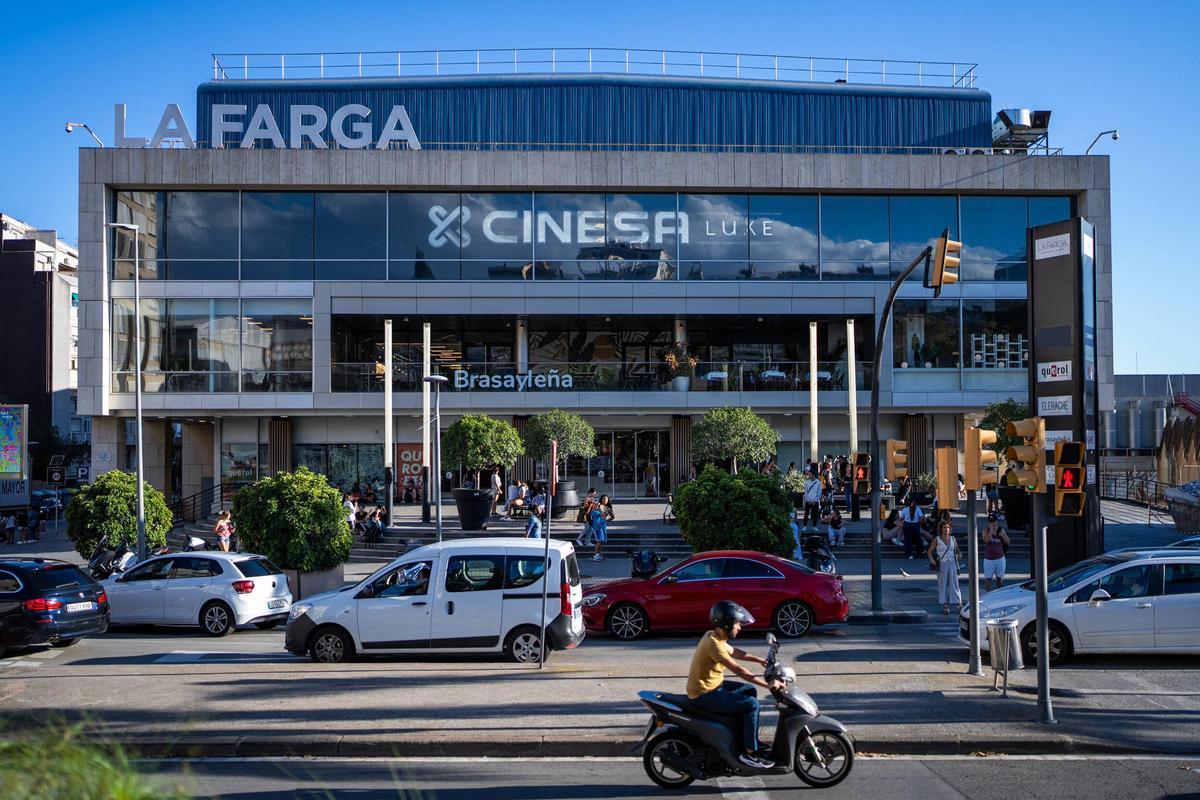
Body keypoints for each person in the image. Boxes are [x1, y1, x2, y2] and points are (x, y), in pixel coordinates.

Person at [686, 601, 782, 770]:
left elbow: (735, 652)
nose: (740, 627)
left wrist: (761, 660)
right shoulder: (714, 645)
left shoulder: (715, 635)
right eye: (737, 623)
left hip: (713, 686)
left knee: (749, 691)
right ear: (727, 624)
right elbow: (740, 671)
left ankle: (745, 737)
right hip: (704, 694)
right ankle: (750, 753)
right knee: (752, 705)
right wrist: (768, 685)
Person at [927, 519, 962, 614]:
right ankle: (945, 604)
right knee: (943, 583)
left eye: (947, 527)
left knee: (954, 582)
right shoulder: (937, 539)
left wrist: (959, 555)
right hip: (942, 563)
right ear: (941, 529)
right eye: (944, 527)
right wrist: (932, 559)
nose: (946, 529)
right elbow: (929, 551)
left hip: (952, 563)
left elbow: (958, 550)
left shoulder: (953, 539)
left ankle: (958, 602)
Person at [981, 513, 1011, 591]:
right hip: (989, 559)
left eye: (994, 521)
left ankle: (999, 594)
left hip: (1000, 558)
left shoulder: (1001, 530)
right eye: (991, 522)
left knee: (999, 578)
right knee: (988, 579)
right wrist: (991, 530)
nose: (992, 523)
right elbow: (986, 540)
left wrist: (1003, 537)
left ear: (997, 522)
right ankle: (988, 595)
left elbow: (1008, 542)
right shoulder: (985, 530)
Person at [588, 494, 615, 561]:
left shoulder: (608, 508)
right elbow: (592, 513)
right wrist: (599, 513)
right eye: (603, 498)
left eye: (606, 499)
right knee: (599, 541)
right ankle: (596, 555)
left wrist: (605, 521)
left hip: (602, 526)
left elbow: (613, 517)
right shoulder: (598, 504)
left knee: (601, 541)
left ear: (608, 500)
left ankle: (599, 554)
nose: (605, 500)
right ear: (601, 499)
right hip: (597, 525)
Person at [802, 467, 822, 532]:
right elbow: (805, 492)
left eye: (810, 474)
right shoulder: (807, 482)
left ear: (813, 475)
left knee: (815, 514)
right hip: (808, 501)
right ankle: (805, 526)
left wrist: (815, 500)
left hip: (815, 501)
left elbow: (819, 493)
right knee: (806, 514)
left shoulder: (818, 483)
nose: (809, 475)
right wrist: (808, 500)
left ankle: (814, 526)